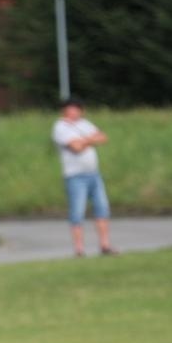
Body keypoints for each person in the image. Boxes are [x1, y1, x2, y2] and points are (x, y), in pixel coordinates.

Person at [51, 96, 117, 258]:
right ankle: (79, 249)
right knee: (77, 211)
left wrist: (84, 140)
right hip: (75, 176)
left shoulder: (84, 124)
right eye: (71, 108)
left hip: (93, 173)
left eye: (77, 108)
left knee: (102, 208)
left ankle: (105, 245)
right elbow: (76, 147)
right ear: (65, 110)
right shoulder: (61, 127)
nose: (75, 111)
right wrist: (91, 139)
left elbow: (103, 137)